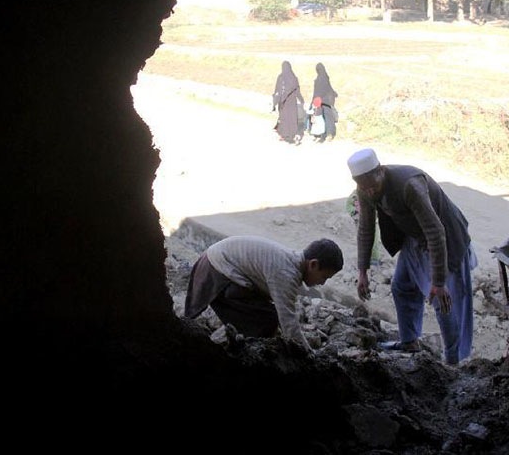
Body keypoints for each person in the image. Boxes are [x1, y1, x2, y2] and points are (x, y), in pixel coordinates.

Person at [347, 148, 476, 365]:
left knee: (443, 300)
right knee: (401, 286)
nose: (369, 192)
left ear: (381, 171)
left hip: (446, 237)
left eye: (372, 186)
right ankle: (409, 341)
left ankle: (453, 361)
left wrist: (439, 281)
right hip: (414, 237)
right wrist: (363, 271)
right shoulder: (365, 189)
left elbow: (436, 232)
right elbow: (366, 229)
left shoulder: (409, 185)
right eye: (363, 187)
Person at [184, 236, 343, 349]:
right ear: (313, 264)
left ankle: (240, 345)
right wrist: (309, 355)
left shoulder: (290, 263)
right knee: (265, 321)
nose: (322, 283)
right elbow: (288, 320)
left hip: (218, 263)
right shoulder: (286, 273)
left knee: (266, 317)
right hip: (217, 270)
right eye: (324, 277)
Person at [272, 61, 305, 144]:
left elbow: (277, 90)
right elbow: (297, 90)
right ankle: (292, 136)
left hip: (283, 102)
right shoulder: (293, 77)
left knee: (284, 119)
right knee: (292, 119)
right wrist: (301, 100)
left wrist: (275, 101)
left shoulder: (280, 77)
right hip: (291, 102)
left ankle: (285, 135)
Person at [311, 63, 338, 143]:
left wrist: (314, 101)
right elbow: (329, 88)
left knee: (321, 118)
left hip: (320, 101)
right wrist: (334, 93)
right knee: (328, 118)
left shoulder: (318, 80)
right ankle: (330, 134)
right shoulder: (326, 78)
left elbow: (316, 92)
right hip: (327, 101)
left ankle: (322, 134)